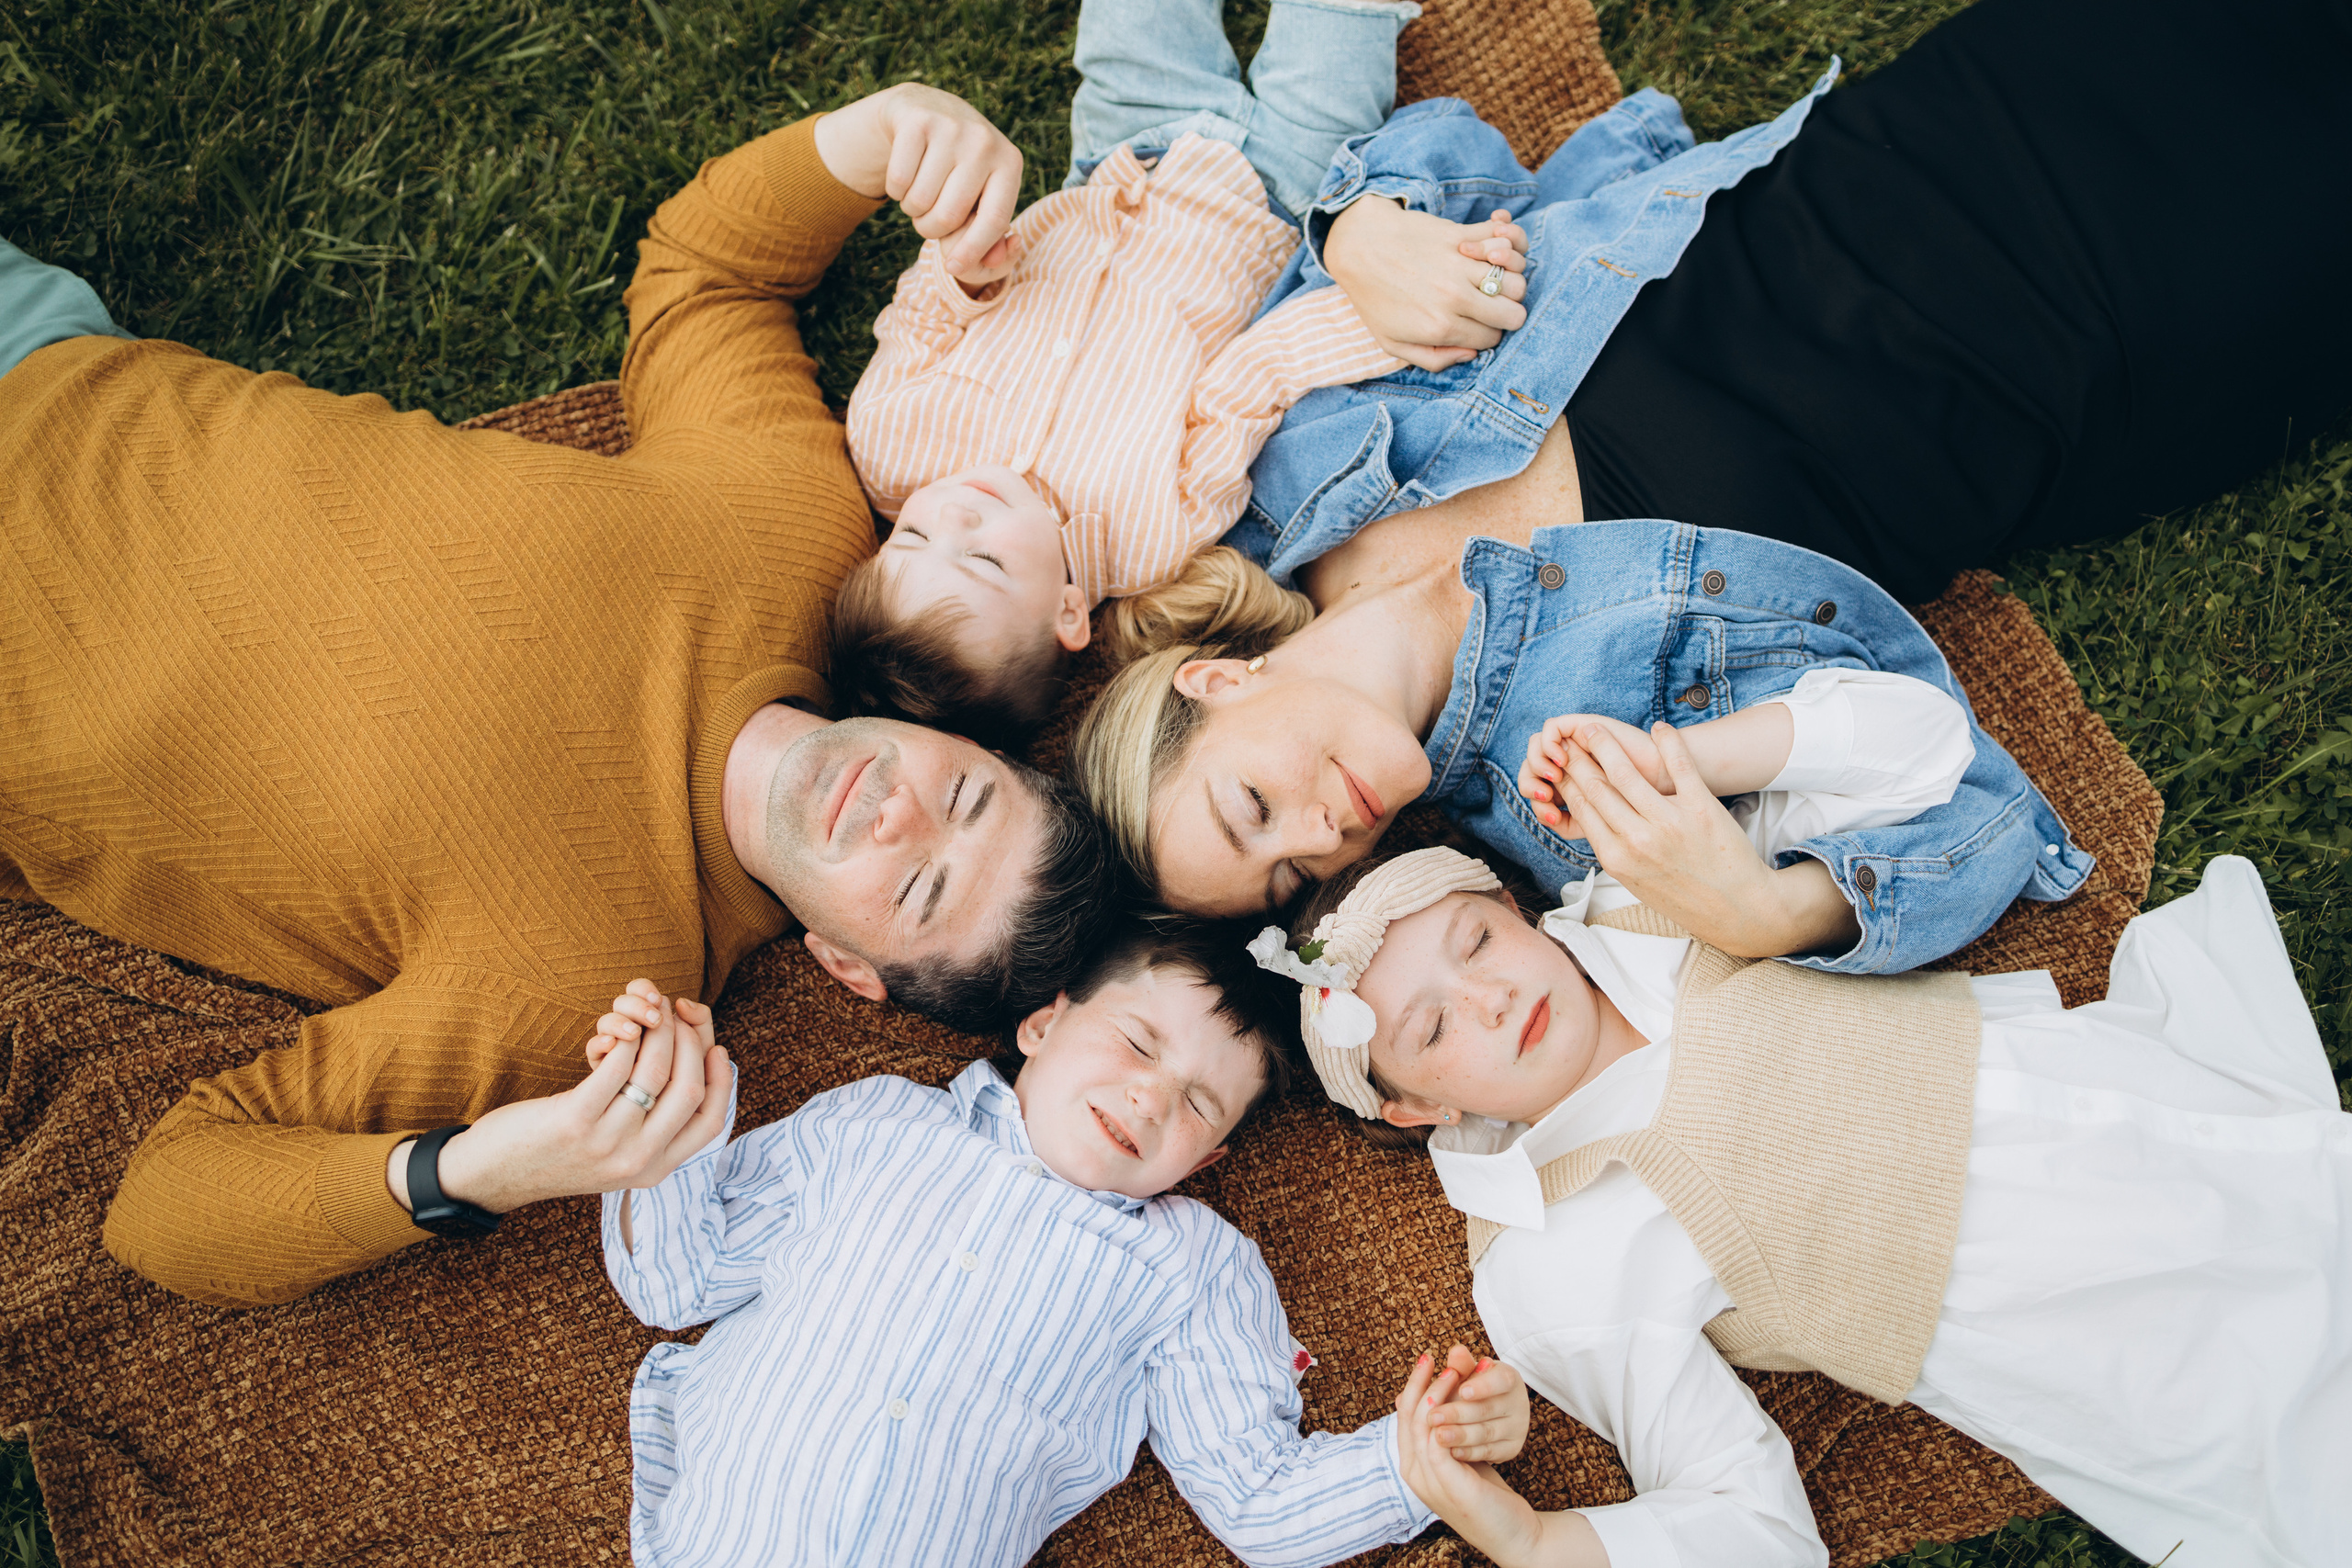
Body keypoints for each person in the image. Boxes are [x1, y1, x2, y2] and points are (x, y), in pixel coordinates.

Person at [0, 85, 1116, 1309]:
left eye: (917, 887)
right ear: (947, 733)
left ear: (848, 965)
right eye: (961, 791)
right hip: (45, 367)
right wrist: (879, 137)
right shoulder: (791, 531)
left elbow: (172, 1207)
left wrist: (498, 1164)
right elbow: (710, 277)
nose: (901, 813)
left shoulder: (584, 993)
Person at [1069, 0, 2352, 931]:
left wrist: (1356, 229)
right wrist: (1766, 909)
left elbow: (1452, 154)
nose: (1322, 838)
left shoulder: (1294, 458)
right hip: (2092, 353)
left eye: (1252, 808)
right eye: (1295, 878)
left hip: (1922, 148)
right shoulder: (1574, 803)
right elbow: (1970, 815)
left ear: (1220, 680)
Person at [1258, 844, 2351, 1568]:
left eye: (1478, 943)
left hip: (2094, 1092)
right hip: (2041, 1307)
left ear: (1512, 907)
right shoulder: (1544, 1265)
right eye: (1434, 1032)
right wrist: (1535, 1542)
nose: (1490, 999)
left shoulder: (1651, 907)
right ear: (1407, 1110)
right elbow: (1752, 1523)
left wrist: (1719, 815)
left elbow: (1898, 781)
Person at [593, 923, 1533, 1566]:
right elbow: (675, 1279)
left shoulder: (1193, 1267)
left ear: (1204, 1160)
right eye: (1134, 1041)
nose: (1152, 1097)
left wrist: (1422, 1460)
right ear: (1043, 1025)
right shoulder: (876, 1123)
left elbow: (1257, 1494)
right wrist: (663, 1114)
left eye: (1199, 1105)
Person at [831, 0, 1526, 746]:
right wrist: (1394, 317)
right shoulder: (1149, 536)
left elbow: (919, 319)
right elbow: (1252, 383)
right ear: (1068, 610)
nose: (954, 517)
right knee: (1340, 20)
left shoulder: (891, 444)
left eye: (911, 537)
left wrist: (963, 274)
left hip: (1124, 143)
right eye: (985, 558)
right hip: (1282, 191)